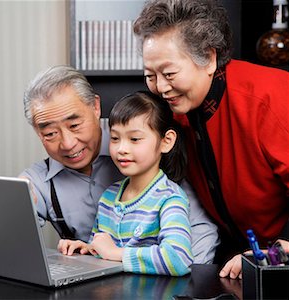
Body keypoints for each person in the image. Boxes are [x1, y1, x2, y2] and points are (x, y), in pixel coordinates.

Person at [133, 0, 289, 279]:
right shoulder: (172, 109)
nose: (160, 87)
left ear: (209, 57)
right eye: (150, 76)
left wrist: (276, 254)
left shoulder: (271, 96)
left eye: (169, 74)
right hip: (232, 256)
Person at [19, 65, 220, 264]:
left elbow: (196, 236)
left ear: (95, 107)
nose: (68, 144)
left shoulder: (149, 155)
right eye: (50, 134)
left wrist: (185, 287)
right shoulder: (108, 196)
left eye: (74, 125)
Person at [58, 91, 193, 276]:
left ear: (166, 141)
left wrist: (115, 253)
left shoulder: (170, 198)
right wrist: (85, 249)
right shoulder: (109, 196)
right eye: (115, 138)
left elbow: (178, 259)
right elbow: (101, 250)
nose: (121, 149)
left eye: (134, 139)